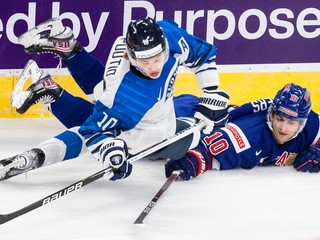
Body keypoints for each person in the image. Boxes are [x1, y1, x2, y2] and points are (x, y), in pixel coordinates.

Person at [0, 17, 229, 181]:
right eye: (145, 62)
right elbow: (92, 130)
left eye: (158, 58)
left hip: (123, 87)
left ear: (164, 46)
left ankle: (68, 48)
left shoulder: (169, 35)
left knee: (102, 94)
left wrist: (211, 92)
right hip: (133, 105)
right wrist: (110, 150)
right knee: (105, 125)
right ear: (131, 56)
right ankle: (52, 96)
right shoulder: (128, 96)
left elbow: (204, 54)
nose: (153, 67)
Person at [165, 83, 320, 180]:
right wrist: (194, 159)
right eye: (279, 119)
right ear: (271, 114)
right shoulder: (249, 136)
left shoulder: (310, 125)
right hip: (182, 112)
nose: (283, 128)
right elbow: (207, 149)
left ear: (302, 123)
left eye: (291, 122)